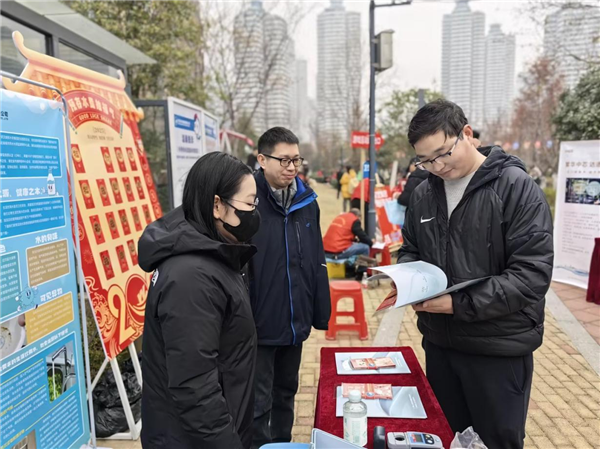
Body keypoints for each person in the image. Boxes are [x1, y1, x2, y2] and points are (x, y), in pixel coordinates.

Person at [396, 100, 553, 449]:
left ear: (467, 134)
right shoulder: (424, 194)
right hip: (439, 344)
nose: (436, 166)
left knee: (497, 441)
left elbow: (532, 276)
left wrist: (457, 303)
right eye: (425, 160)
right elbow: (410, 249)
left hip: (497, 349)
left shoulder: (515, 188)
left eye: (443, 153)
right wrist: (407, 281)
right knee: (442, 438)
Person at [138, 152, 261, 449]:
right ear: (217, 205)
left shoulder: (215, 253)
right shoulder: (191, 278)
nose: (255, 212)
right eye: (249, 203)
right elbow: (195, 387)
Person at [249, 127, 331, 449]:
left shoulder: (306, 200)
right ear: (261, 160)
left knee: (286, 391)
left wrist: (317, 310)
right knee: (258, 402)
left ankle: (282, 442)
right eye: (283, 160)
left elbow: (316, 257)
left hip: (295, 319)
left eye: (296, 159)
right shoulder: (246, 200)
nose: (291, 167)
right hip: (258, 322)